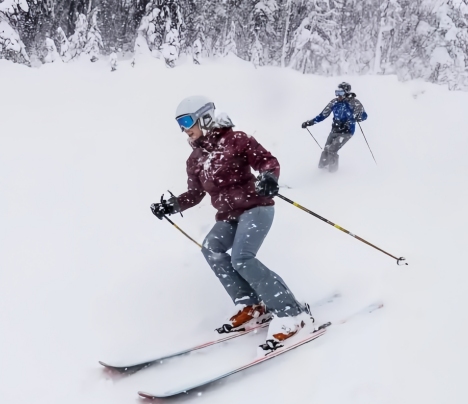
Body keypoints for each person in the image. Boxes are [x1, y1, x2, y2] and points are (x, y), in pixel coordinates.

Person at [150, 96, 314, 352]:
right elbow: (194, 195)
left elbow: (267, 162)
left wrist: (269, 178)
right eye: (179, 124)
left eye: (186, 121)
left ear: (204, 117)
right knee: (211, 248)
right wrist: (171, 205)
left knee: (242, 258)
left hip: (256, 207)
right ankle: (250, 306)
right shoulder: (195, 159)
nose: (184, 128)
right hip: (228, 215)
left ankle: (291, 313)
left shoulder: (235, 140)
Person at [302, 82, 368, 173]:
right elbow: (323, 114)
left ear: (346, 93)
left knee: (332, 149)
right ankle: (321, 171)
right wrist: (310, 122)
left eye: (341, 93)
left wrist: (357, 117)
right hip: (335, 130)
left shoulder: (354, 103)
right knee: (326, 149)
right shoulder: (334, 102)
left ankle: (332, 174)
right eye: (337, 93)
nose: (338, 96)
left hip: (347, 131)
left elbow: (364, 116)